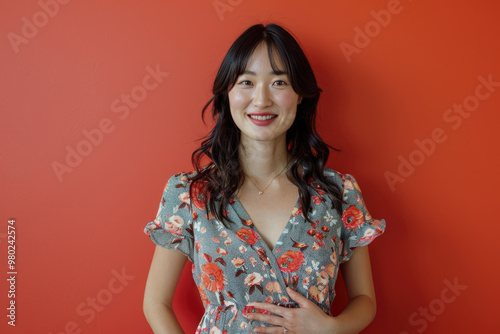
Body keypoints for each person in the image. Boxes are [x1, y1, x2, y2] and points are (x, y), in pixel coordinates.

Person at [143, 23, 386, 334]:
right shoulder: (189, 193)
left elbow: (365, 299)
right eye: (246, 82)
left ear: (300, 96)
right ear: (227, 93)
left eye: (279, 82)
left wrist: (331, 329)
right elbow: (155, 302)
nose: (261, 100)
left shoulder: (339, 192)